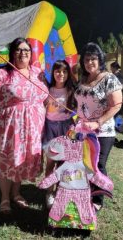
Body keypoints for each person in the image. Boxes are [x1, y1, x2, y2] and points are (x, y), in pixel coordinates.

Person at [0, 37, 49, 214]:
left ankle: (16, 193)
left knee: (21, 160)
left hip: (32, 129)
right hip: (7, 128)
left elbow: (46, 96)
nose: (23, 53)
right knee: (6, 160)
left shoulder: (37, 73)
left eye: (26, 50)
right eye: (19, 50)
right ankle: (5, 198)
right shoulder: (2, 74)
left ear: (31, 54)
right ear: (12, 53)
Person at [74, 42, 123, 211]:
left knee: (97, 165)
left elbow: (116, 105)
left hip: (102, 131)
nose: (90, 63)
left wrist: (98, 121)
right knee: (85, 164)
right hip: (83, 131)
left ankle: (98, 200)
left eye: (93, 59)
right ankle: (86, 193)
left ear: (100, 59)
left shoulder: (109, 78)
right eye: (87, 59)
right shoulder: (84, 79)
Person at [43, 59, 76, 208]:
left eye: (64, 71)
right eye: (57, 71)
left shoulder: (71, 91)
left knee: (65, 162)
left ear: (68, 73)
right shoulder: (47, 89)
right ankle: (50, 192)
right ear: (53, 73)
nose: (61, 74)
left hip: (66, 128)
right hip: (50, 127)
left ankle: (62, 192)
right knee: (51, 162)